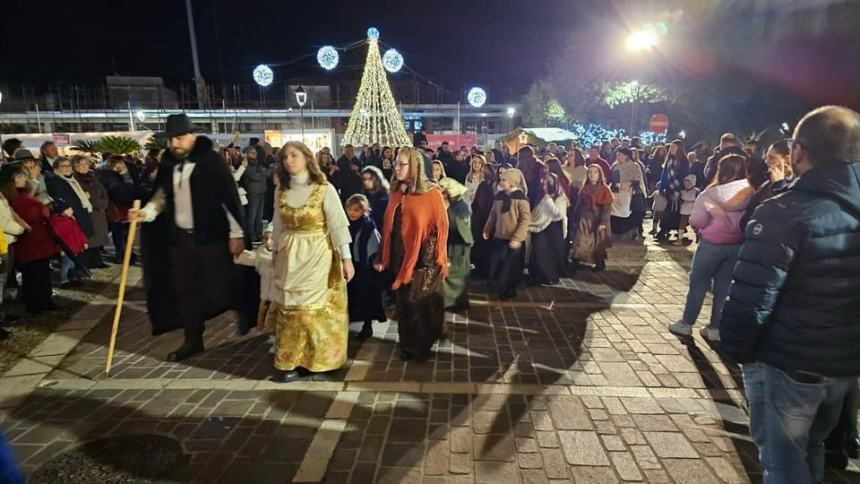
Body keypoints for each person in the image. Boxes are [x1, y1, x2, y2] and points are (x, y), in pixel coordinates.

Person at [720, 106, 860, 483]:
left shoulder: (784, 211)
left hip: (788, 363)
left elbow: (751, 298)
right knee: (812, 448)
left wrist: (736, 350)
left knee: (782, 465)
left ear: (797, 151)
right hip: (842, 365)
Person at [132, 114, 247, 362]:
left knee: (223, 285)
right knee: (187, 290)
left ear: (192, 136)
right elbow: (161, 197)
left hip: (212, 237)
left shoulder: (211, 160)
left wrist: (237, 233)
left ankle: (247, 321)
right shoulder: (168, 163)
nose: (175, 143)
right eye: (172, 139)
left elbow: (228, 198)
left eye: (180, 138)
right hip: (181, 239)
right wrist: (145, 212)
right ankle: (193, 339)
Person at [265, 141, 353, 381]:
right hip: (289, 255)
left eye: (293, 155)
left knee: (310, 309)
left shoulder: (324, 189)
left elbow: (337, 224)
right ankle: (291, 360)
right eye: (284, 157)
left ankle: (317, 359)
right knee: (290, 307)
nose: (288, 161)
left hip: (317, 253)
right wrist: (272, 239)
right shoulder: (281, 190)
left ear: (306, 157)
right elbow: (278, 220)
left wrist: (347, 258)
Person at [668, 154, 752, 342]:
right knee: (724, 287)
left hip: (711, 244)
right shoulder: (750, 194)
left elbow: (697, 219)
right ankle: (715, 327)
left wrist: (700, 229)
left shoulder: (710, 194)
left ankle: (687, 324)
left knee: (698, 284)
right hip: (736, 245)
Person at [375, 147, 448, 362]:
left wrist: (424, 260)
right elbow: (389, 227)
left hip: (423, 263)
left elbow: (439, 229)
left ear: (414, 166)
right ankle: (408, 343)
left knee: (418, 304)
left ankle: (420, 346)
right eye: (396, 163)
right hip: (400, 257)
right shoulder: (397, 191)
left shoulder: (431, 194)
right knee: (404, 304)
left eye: (402, 164)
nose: (396, 167)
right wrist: (384, 255)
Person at [6, 173, 58, 314]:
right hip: (28, 239)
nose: (23, 179)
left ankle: (45, 299)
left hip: (39, 238)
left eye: (23, 177)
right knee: (31, 273)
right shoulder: (13, 199)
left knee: (42, 270)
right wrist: (43, 210)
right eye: (18, 177)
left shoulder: (26, 196)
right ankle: (35, 302)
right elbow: (33, 215)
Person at [483, 168, 531, 300]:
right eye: (501, 179)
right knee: (497, 263)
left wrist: (517, 238)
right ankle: (496, 284)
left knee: (511, 267)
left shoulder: (521, 200)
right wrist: (487, 229)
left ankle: (509, 289)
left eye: (504, 180)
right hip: (500, 236)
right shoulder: (499, 197)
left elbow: (525, 219)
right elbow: (493, 215)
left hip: (513, 239)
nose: (501, 182)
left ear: (512, 182)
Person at [345, 194, 386, 341]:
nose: (352, 213)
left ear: (363, 210)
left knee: (366, 298)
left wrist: (375, 260)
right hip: (351, 266)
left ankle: (367, 326)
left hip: (365, 269)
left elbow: (375, 245)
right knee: (352, 297)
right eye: (350, 209)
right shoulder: (347, 226)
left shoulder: (368, 226)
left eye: (356, 210)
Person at [235, 223, 276, 351]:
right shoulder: (261, 254)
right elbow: (252, 258)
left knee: (277, 317)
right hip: (267, 294)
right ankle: (273, 335)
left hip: (278, 295)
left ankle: (279, 339)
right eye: (266, 239)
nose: (269, 243)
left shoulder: (281, 257)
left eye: (272, 239)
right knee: (269, 317)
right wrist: (239, 256)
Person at [45, 157, 94, 263]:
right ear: (56, 169)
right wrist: (65, 210)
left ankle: (83, 268)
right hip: (71, 219)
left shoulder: (72, 180)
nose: (67, 168)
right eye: (63, 166)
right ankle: (74, 273)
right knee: (74, 248)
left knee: (83, 245)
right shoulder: (55, 181)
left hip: (81, 214)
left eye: (69, 165)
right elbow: (57, 199)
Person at [739, 139, 794, 231]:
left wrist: (778, 186)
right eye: (766, 156)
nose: (766, 161)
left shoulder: (795, 186)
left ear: (787, 159)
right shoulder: (769, 182)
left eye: (772, 158)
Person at [437, 178, 473, 311]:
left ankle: (458, 302)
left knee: (458, 273)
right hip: (449, 243)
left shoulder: (461, 206)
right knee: (449, 273)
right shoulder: (447, 205)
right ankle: (449, 301)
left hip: (459, 245)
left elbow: (457, 225)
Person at [571, 165, 613, 272]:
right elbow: (578, 205)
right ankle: (576, 260)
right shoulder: (584, 189)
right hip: (585, 219)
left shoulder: (604, 189)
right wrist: (575, 219)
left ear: (599, 175)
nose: (592, 175)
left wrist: (603, 222)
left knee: (598, 242)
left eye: (595, 172)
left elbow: (606, 208)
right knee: (581, 240)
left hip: (598, 218)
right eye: (590, 172)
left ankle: (600, 262)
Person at [528, 173, 569, 284]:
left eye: (546, 184)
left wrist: (549, 201)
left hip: (553, 228)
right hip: (541, 227)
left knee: (549, 254)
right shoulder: (542, 196)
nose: (544, 187)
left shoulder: (560, 197)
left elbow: (559, 214)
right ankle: (537, 275)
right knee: (538, 251)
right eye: (543, 184)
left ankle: (549, 276)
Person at [71, 155, 110, 269]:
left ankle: (98, 260)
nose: (84, 167)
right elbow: (83, 196)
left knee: (98, 238)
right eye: (81, 164)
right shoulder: (75, 179)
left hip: (99, 212)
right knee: (89, 239)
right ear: (75, 166)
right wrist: (96, 200)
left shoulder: (93, 177)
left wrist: (103, 203)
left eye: (86, 164)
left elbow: (103, 192)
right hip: (88, 213)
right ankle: (88, 262)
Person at [654, 140, 689, 241]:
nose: (672, 149)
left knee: (674, 211)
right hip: (669, 189)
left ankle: (669, 229)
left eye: (674, 148)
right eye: (671, 147)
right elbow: (665, 174)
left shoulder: (683, 161)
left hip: (678, 190)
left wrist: (678, 188)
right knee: (668, 210)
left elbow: (683, 175)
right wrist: (662, 187)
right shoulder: (669, 160)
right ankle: (665, 229)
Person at [48, 199, 88, 286]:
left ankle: (72, 278)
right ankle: (64, 280)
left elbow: (78, 231)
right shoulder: (56, 223)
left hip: (74, 246)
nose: (72, 211)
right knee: (66, 264)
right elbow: (56, 238)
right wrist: (60, 249)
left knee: (72, 263)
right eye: (70, 209)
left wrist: (84, 241)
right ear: (63, 211)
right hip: (66, 247)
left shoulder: (71, 220)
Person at [609, 148, 645, 238]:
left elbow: (637, 179)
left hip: (630, 194)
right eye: (617, 155)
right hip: (617, 195)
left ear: (626, 156)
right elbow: (612, 179)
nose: (618, 157)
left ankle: (631, 233)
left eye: (619, 155)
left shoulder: (634, 166)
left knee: (630, 214)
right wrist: (616, 185)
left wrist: (629, 183)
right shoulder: (615, 166)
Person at [470, 163, 496, 278]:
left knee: (485, 244)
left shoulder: (493, 186)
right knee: (478, 243)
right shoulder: (483, 185)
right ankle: (479, 267)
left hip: (487, 218)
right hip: (478, 218)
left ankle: (485, 269)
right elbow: (476, 201)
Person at [240, 146, 271, 242]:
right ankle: (251, 234)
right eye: (252, 153)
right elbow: (254, 176)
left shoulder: (258, 163)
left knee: (259, 215)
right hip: (253, 192)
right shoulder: (246, 165)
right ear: (246, 154)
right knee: (252, 214)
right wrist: (262, 173)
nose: (255, 154)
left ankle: (259, 233)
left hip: (262, 190)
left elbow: (268, 173)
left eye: (255, 152)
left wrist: (262, 173)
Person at [361, 165, 390, 232]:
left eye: (370, 179)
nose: (366, 182)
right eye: (364, 179)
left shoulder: (384, 197)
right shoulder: (366, 195)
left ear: (376, 179)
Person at [675, 175, 700, 245]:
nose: (687, 184)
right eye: (685, 183)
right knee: (682, 223)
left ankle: (698, 237)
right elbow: (679, 200)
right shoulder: (682, 192)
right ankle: (680, 239)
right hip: (684, 209)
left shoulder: (696, 191)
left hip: (694, 209)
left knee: (695, 224)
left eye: (689, 183)